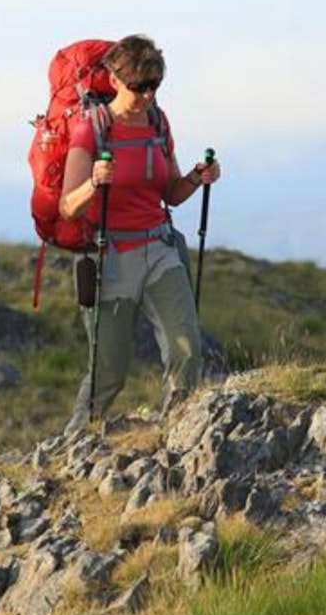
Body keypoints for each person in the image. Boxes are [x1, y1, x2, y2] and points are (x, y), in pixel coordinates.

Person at [58, 35, 222, 433]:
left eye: (155, 86)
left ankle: (177, 434)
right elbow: (67, 207)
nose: (148, 96)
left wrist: (197, 179)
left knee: (187, 349)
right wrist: (94, 183)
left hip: (159, 248)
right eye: (140, 87)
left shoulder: (156, 123)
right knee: (108, 372)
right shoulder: (90, 130)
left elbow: (171, 194)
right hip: (109, 259)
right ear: (115, 80)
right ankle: (72, 444)